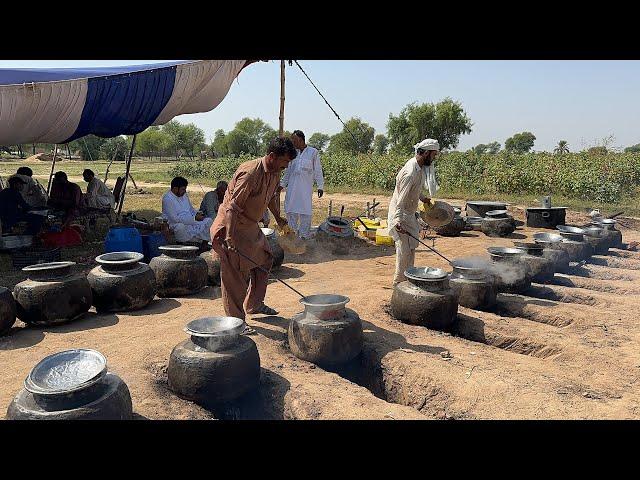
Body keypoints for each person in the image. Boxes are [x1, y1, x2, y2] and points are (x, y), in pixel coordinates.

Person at [210, 137, 295, 325]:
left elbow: (270, 197)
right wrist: (229, 237)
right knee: (235, 276)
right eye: (285, 162)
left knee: (265, 260)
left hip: (249, 226)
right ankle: (236, 322)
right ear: (272, 156)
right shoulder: (250, 173)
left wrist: (279, 218)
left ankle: (254, 304)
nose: (286, 166)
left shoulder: (274, 172)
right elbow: (233, 208)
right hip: (231, 226)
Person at [387, 138, 440, 285]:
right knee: (403, 251)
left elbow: (414, 191)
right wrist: (397, 221)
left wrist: (423, 199)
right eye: (433, 155)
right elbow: (401, 199)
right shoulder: (410, 172)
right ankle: (398, 283)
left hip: (409, 215)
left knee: (411, 248)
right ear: (426, 153)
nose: (434, 158)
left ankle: (408, 279)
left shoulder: (420, 168)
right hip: (400, 215)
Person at [280, 130, 324, 239]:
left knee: (305, 214)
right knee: (291, 212)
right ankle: (292, 236)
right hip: (292, 190)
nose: (293, 143)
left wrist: (320, 186)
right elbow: (288, 172)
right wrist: (281, 185)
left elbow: (318, 170)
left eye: (294, 140)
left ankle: (304, 237)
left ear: (300, 140)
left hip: (305, 190)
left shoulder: (313, 152)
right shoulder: (293, 154)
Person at [162, 176, 213, 243]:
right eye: (183, 189)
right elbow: (175, 219)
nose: (184, 191)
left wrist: (197, 213)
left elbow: (191, 209)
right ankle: (189, 243)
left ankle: (203, 241)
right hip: (176, 223)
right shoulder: (167, 199)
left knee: (209, 221)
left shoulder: (184, 195)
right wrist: (193, 218)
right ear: (175, 189)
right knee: (180, 227)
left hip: (191, 221)